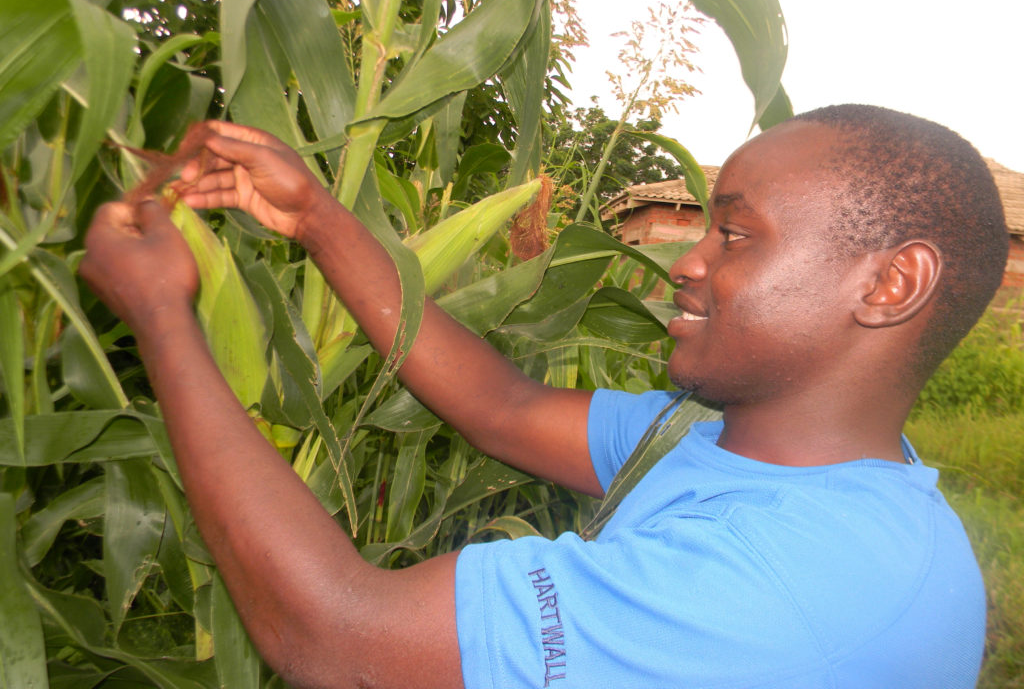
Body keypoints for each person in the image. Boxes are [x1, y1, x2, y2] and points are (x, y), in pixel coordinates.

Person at [80, 104, 1008, 689]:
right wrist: (316, 218)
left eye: (734, 235)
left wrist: (163, 316)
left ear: (890, 286)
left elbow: (341, 642)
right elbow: (502, 408)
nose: (685, 261)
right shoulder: (712, 439)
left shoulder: (798, 587)